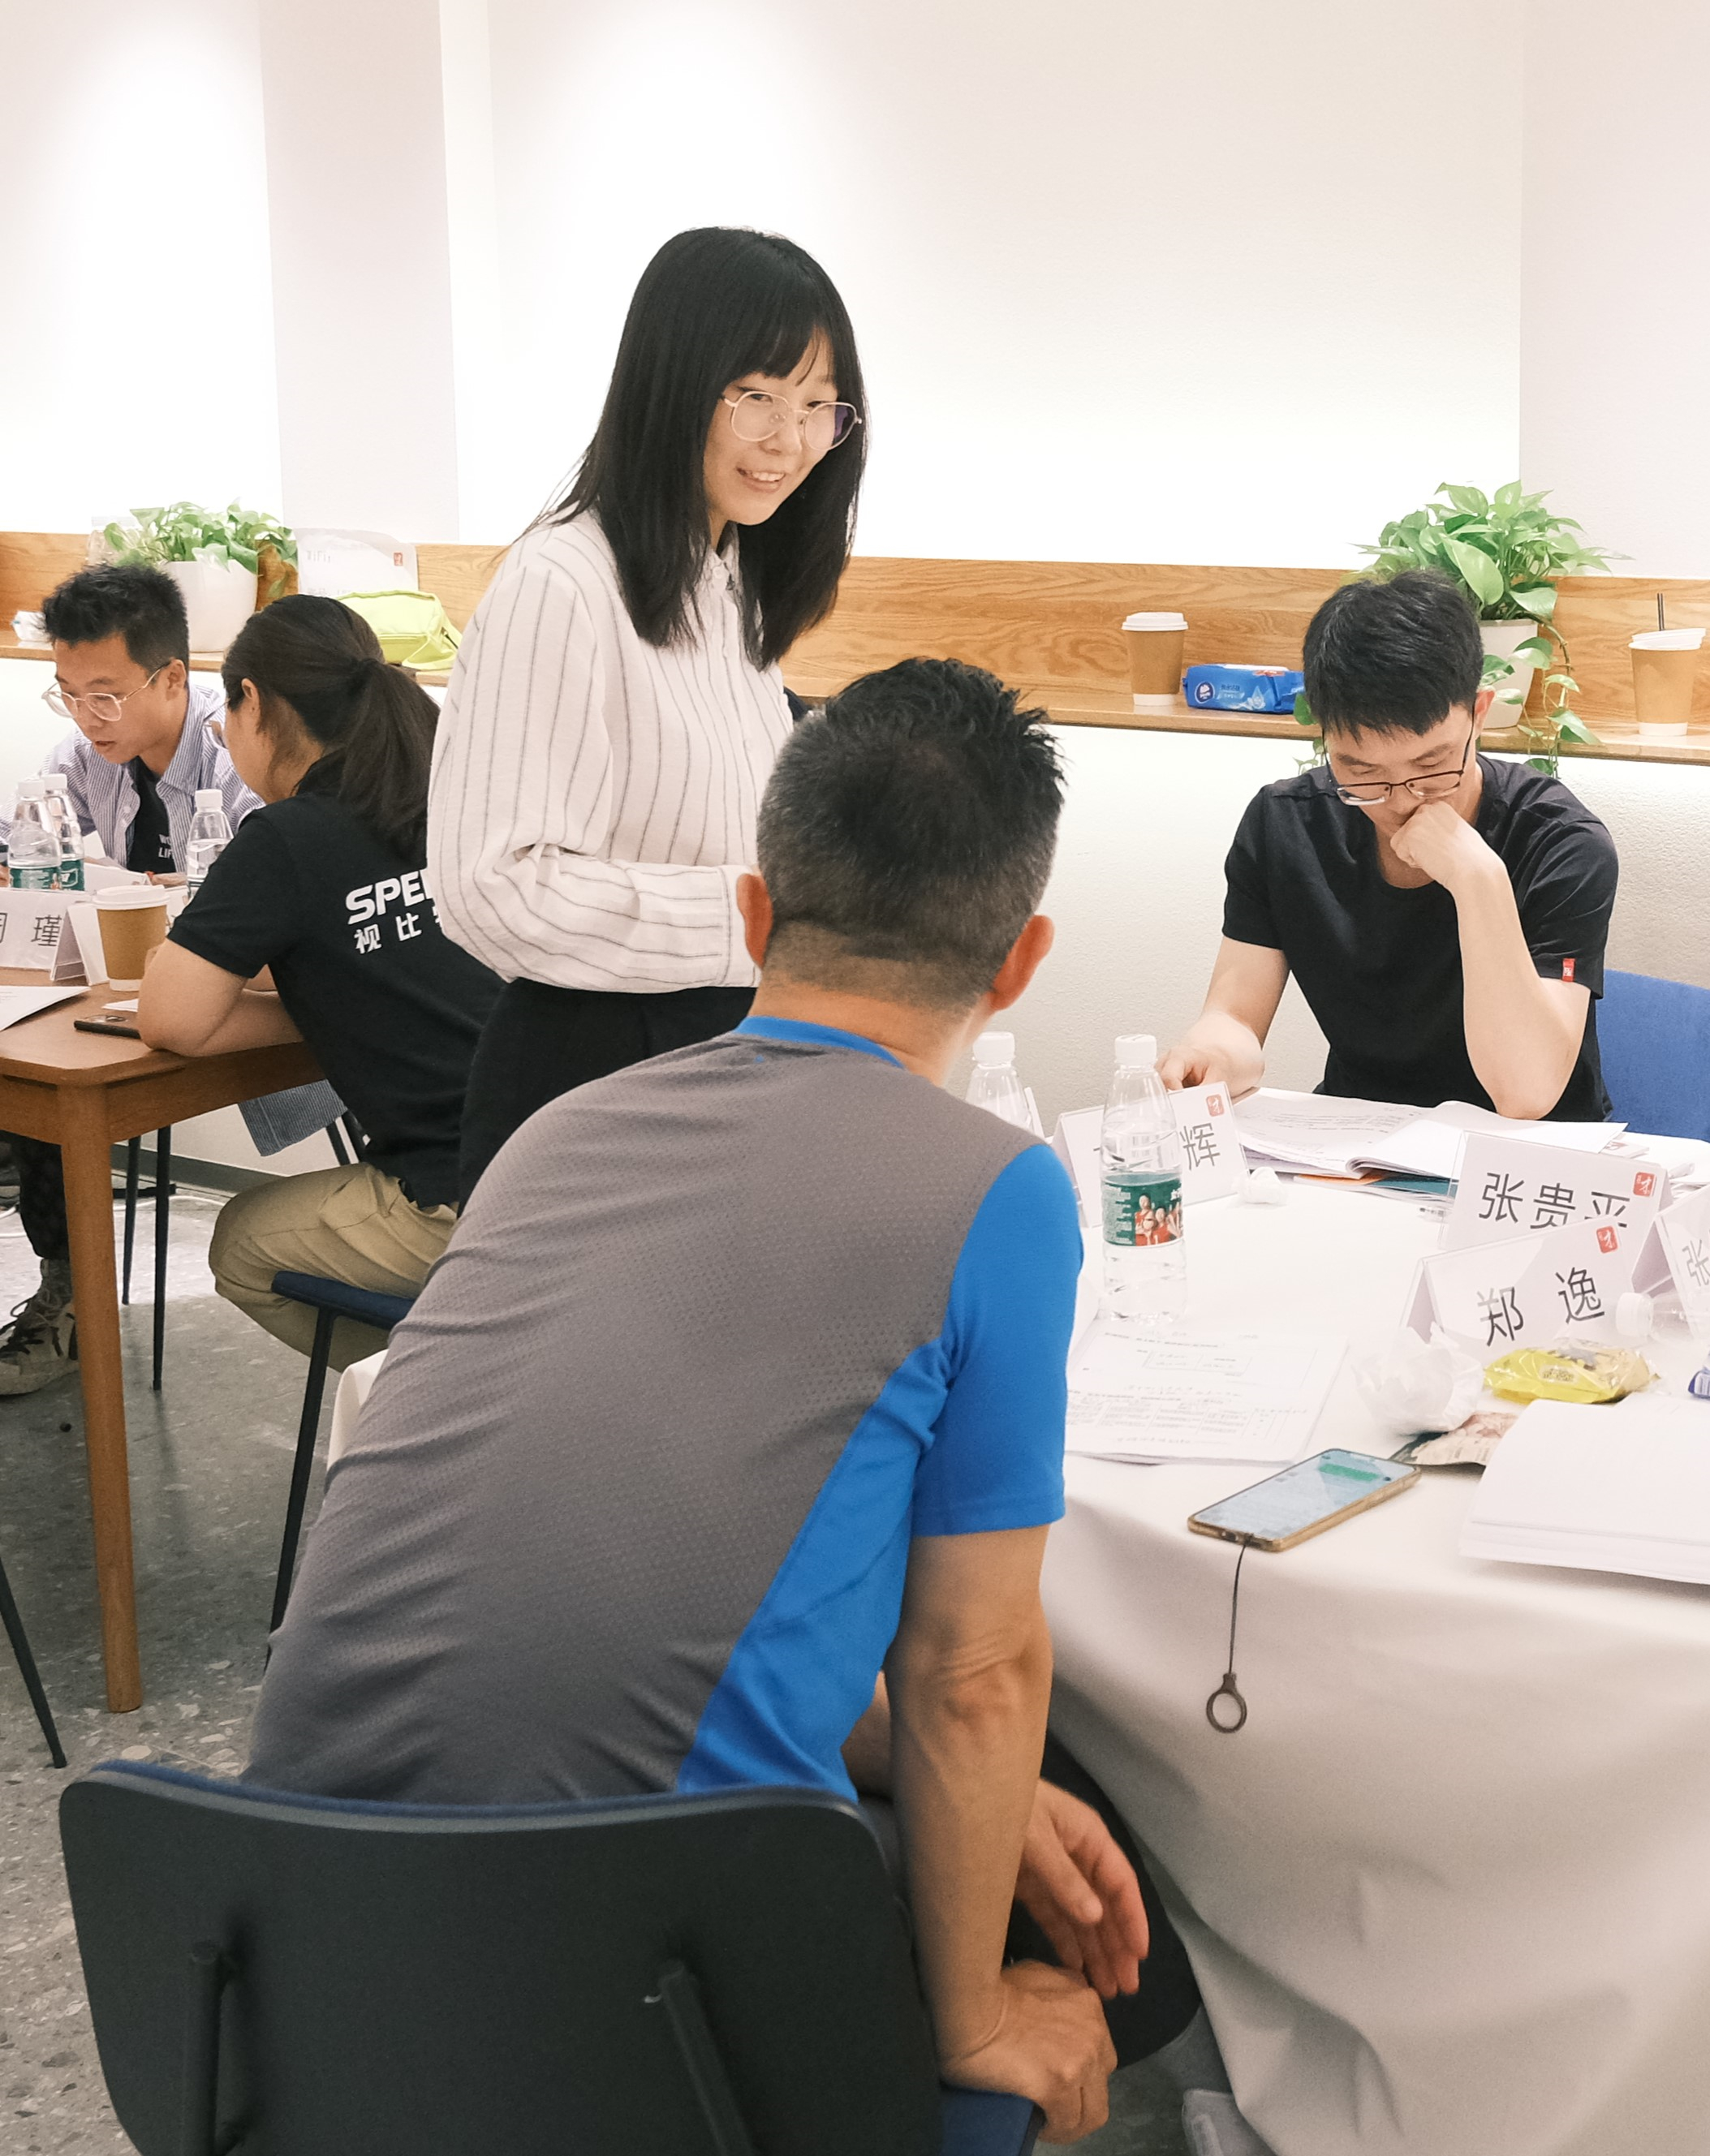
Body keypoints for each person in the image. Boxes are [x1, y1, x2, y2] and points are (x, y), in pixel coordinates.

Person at [248, 660, 1169, 2141]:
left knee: (987, 1809)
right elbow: (973, 1671)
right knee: (1117, 1939)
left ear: (751, 913)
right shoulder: (997, 1190)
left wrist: (966, 1790)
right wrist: (976, 2019)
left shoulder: (559, 1134)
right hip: (620, 2014)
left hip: (279, 1963)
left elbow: (650, 1591)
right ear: (1020, 963)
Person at [430, 225, 868, 1199]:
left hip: (722, 1059)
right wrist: (754, 915)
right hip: (594, 1082)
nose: (789, 440)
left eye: (817, 406)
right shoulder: (560, 582)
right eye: (757, 396)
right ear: (672, 384)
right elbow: (490, 885)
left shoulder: (730, 585)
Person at [135, 596, 499, 1366]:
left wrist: (314, 1004)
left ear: (253, 702)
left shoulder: (287, 837)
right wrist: (333, 997)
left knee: (240, 1242)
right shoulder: (451, 796)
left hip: (458, 1199)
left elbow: (170, 1018)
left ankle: (432, 1400)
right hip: (565, 1161)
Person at [1161, 568, 1619, 1121]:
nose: (1401, 800)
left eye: (1432, 766)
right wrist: (1209, 1055)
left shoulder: (1560, 842)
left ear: (1478, 714)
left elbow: (1525, 1094)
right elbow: (1234, 1017)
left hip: (1528, 1157)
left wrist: (1479, 881)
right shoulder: (1284, 825)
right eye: (1362, 772)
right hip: (1359, 1144)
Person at [0, 563, 262, 1395]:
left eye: (106, 695)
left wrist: (125, 888)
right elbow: (28, 872)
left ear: (173, 676)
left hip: (240, 999)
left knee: (48, 1085)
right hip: (115, 996)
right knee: (32, 1069)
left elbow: (260, 898)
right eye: (69, 694)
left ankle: (70, 1300)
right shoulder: (78, 759)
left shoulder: (240, 745)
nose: (87, 717)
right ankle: (69, 1286)